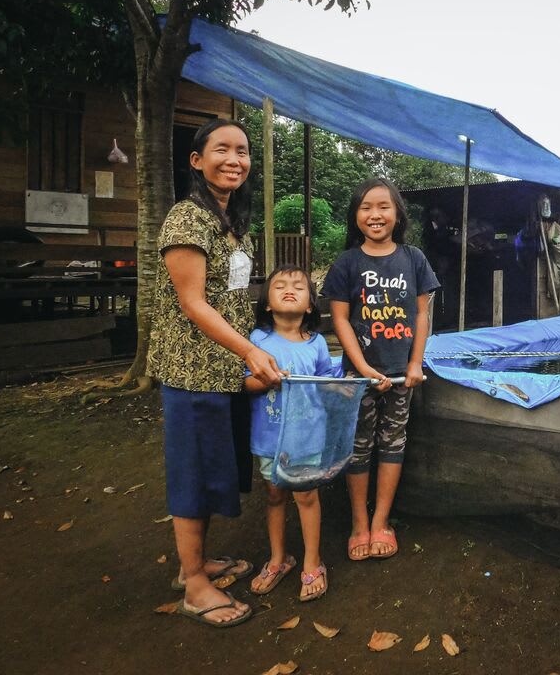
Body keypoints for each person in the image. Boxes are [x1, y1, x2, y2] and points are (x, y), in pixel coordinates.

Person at [147, 118, 281, 628]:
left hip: (221, 370)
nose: (235, 159)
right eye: (221, 149)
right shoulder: (187, 219)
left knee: (209, 468)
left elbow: (235, 296)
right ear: (196, 160)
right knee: (193, 474)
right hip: (191, 369)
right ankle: (194, 585)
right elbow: (193, 303)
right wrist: (251, 351)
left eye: (243, 151)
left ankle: (197, 562)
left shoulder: (231, 222)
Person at [321, 178, 440, 561]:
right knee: (358, 447)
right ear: (355, 216)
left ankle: (381, 522)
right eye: (366, 207)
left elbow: (422, 314)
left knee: (392, 444)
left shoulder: (414, 258)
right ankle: (359, 523)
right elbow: (340, 320)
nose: (375, 215)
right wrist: (362, 367)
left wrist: (415, 362)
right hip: (359, 378)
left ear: (397, 214)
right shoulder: (347, 263)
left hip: (402, 377)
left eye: (384, 207)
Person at [245, 264, 334, 601]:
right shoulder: (255, 342)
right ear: (267, 303)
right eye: (279, 285)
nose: (289, 289)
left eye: (299, 286)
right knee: (274, 495)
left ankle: (313, 561)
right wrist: (264, 379)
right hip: (268, 438)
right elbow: (245, 382)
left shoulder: (317, 344)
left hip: (308, 438)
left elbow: (327, 381)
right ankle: (278, 559)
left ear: (310, 304)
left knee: (306, 497)